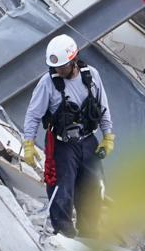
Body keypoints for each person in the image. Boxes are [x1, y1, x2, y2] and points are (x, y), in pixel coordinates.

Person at [21, 34, 115, 238]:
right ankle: (64, 235)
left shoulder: (92, 76)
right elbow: (33, 115)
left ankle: (89, 233)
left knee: (92, 188)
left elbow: (103, 108)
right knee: (61, 190)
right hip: (61, 145)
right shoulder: (48, 83)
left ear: (74, 60)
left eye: (63, 66)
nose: (58, 70)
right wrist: (28, 143)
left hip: (88, 140)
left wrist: (108, 136)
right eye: (55, 67)